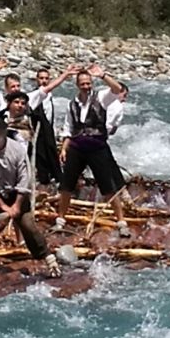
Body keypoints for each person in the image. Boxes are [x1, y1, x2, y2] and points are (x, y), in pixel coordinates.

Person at [0, 114, 61, 276]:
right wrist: (3, 207)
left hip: (16, 193)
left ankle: (48, 259)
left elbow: (25, 179)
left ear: (4, 132)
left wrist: (16, 205)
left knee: (28, 226)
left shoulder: (17, 150)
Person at [54, 63, 128, 224]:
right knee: (66, 186)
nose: (86, 87)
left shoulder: (101, 97)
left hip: (97, 148)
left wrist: (103, 75)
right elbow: (69, 129)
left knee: (107, 187)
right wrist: (64, 149)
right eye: (83, 84)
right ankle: (61, 219)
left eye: (88, 83)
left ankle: (121, 221)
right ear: (77, 85)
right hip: (77, 148)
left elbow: (116, 89)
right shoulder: (72, 104)